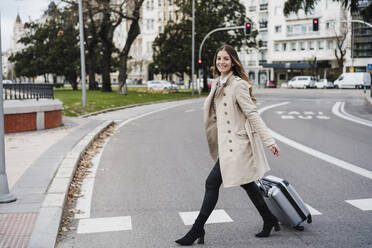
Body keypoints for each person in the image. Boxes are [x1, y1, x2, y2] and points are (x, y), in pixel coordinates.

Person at [175, 45, 281, 246]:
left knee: (211, 183)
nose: (221, 62)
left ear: (233, 62)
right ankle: (269, 218)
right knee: (247, 183)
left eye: (226, 59)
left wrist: (269, 141)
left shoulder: (238, 85)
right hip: (226, 144)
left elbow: (252, 114)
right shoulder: (218, 82)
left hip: (237, 146)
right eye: (219, 58)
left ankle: (198, 228)